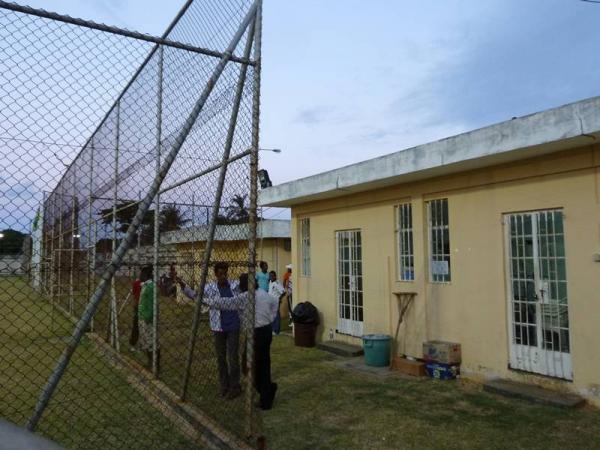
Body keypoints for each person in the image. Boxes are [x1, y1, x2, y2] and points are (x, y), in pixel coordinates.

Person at [204, 273, 279, 410]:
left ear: (244, 285)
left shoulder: (245, 297)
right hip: (266, 331)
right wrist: (271, 317)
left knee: (248, 365)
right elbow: (275, 302)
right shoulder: (263, 293)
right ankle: (266, 392)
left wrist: (208, 301)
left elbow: (227, 303)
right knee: (264, 363)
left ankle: (266, 391)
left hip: (255, 333)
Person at [177, 262, 241, 399]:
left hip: (234, 326)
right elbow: (195, 296)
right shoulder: (210, 288)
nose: (223, 276)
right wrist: (183, 286)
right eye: (220, 273)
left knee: (233, 358)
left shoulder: (235, 286)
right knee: (221, 358)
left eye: (225, 273)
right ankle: (224, 385)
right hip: (218, 327)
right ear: (216, 274)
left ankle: (235, 386)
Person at [137, 265, 160, 372]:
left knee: (152, 342)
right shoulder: (145, 285)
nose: (139, 275)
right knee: (146, 342)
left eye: (141, 273)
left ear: (146, 274)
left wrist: (148, 317)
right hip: (142, 317)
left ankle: (155, 365)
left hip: (148, 319)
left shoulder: (151, 287)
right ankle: (150, 363)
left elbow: (152, 304)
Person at [129, 270, 142, 350]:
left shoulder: (150, 283)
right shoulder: (137, 283)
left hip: (144, 306)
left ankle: (140, 343)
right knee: (136, 325)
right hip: (138, 306)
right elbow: (134, 295)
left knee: (141, 326)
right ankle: (133, 343)